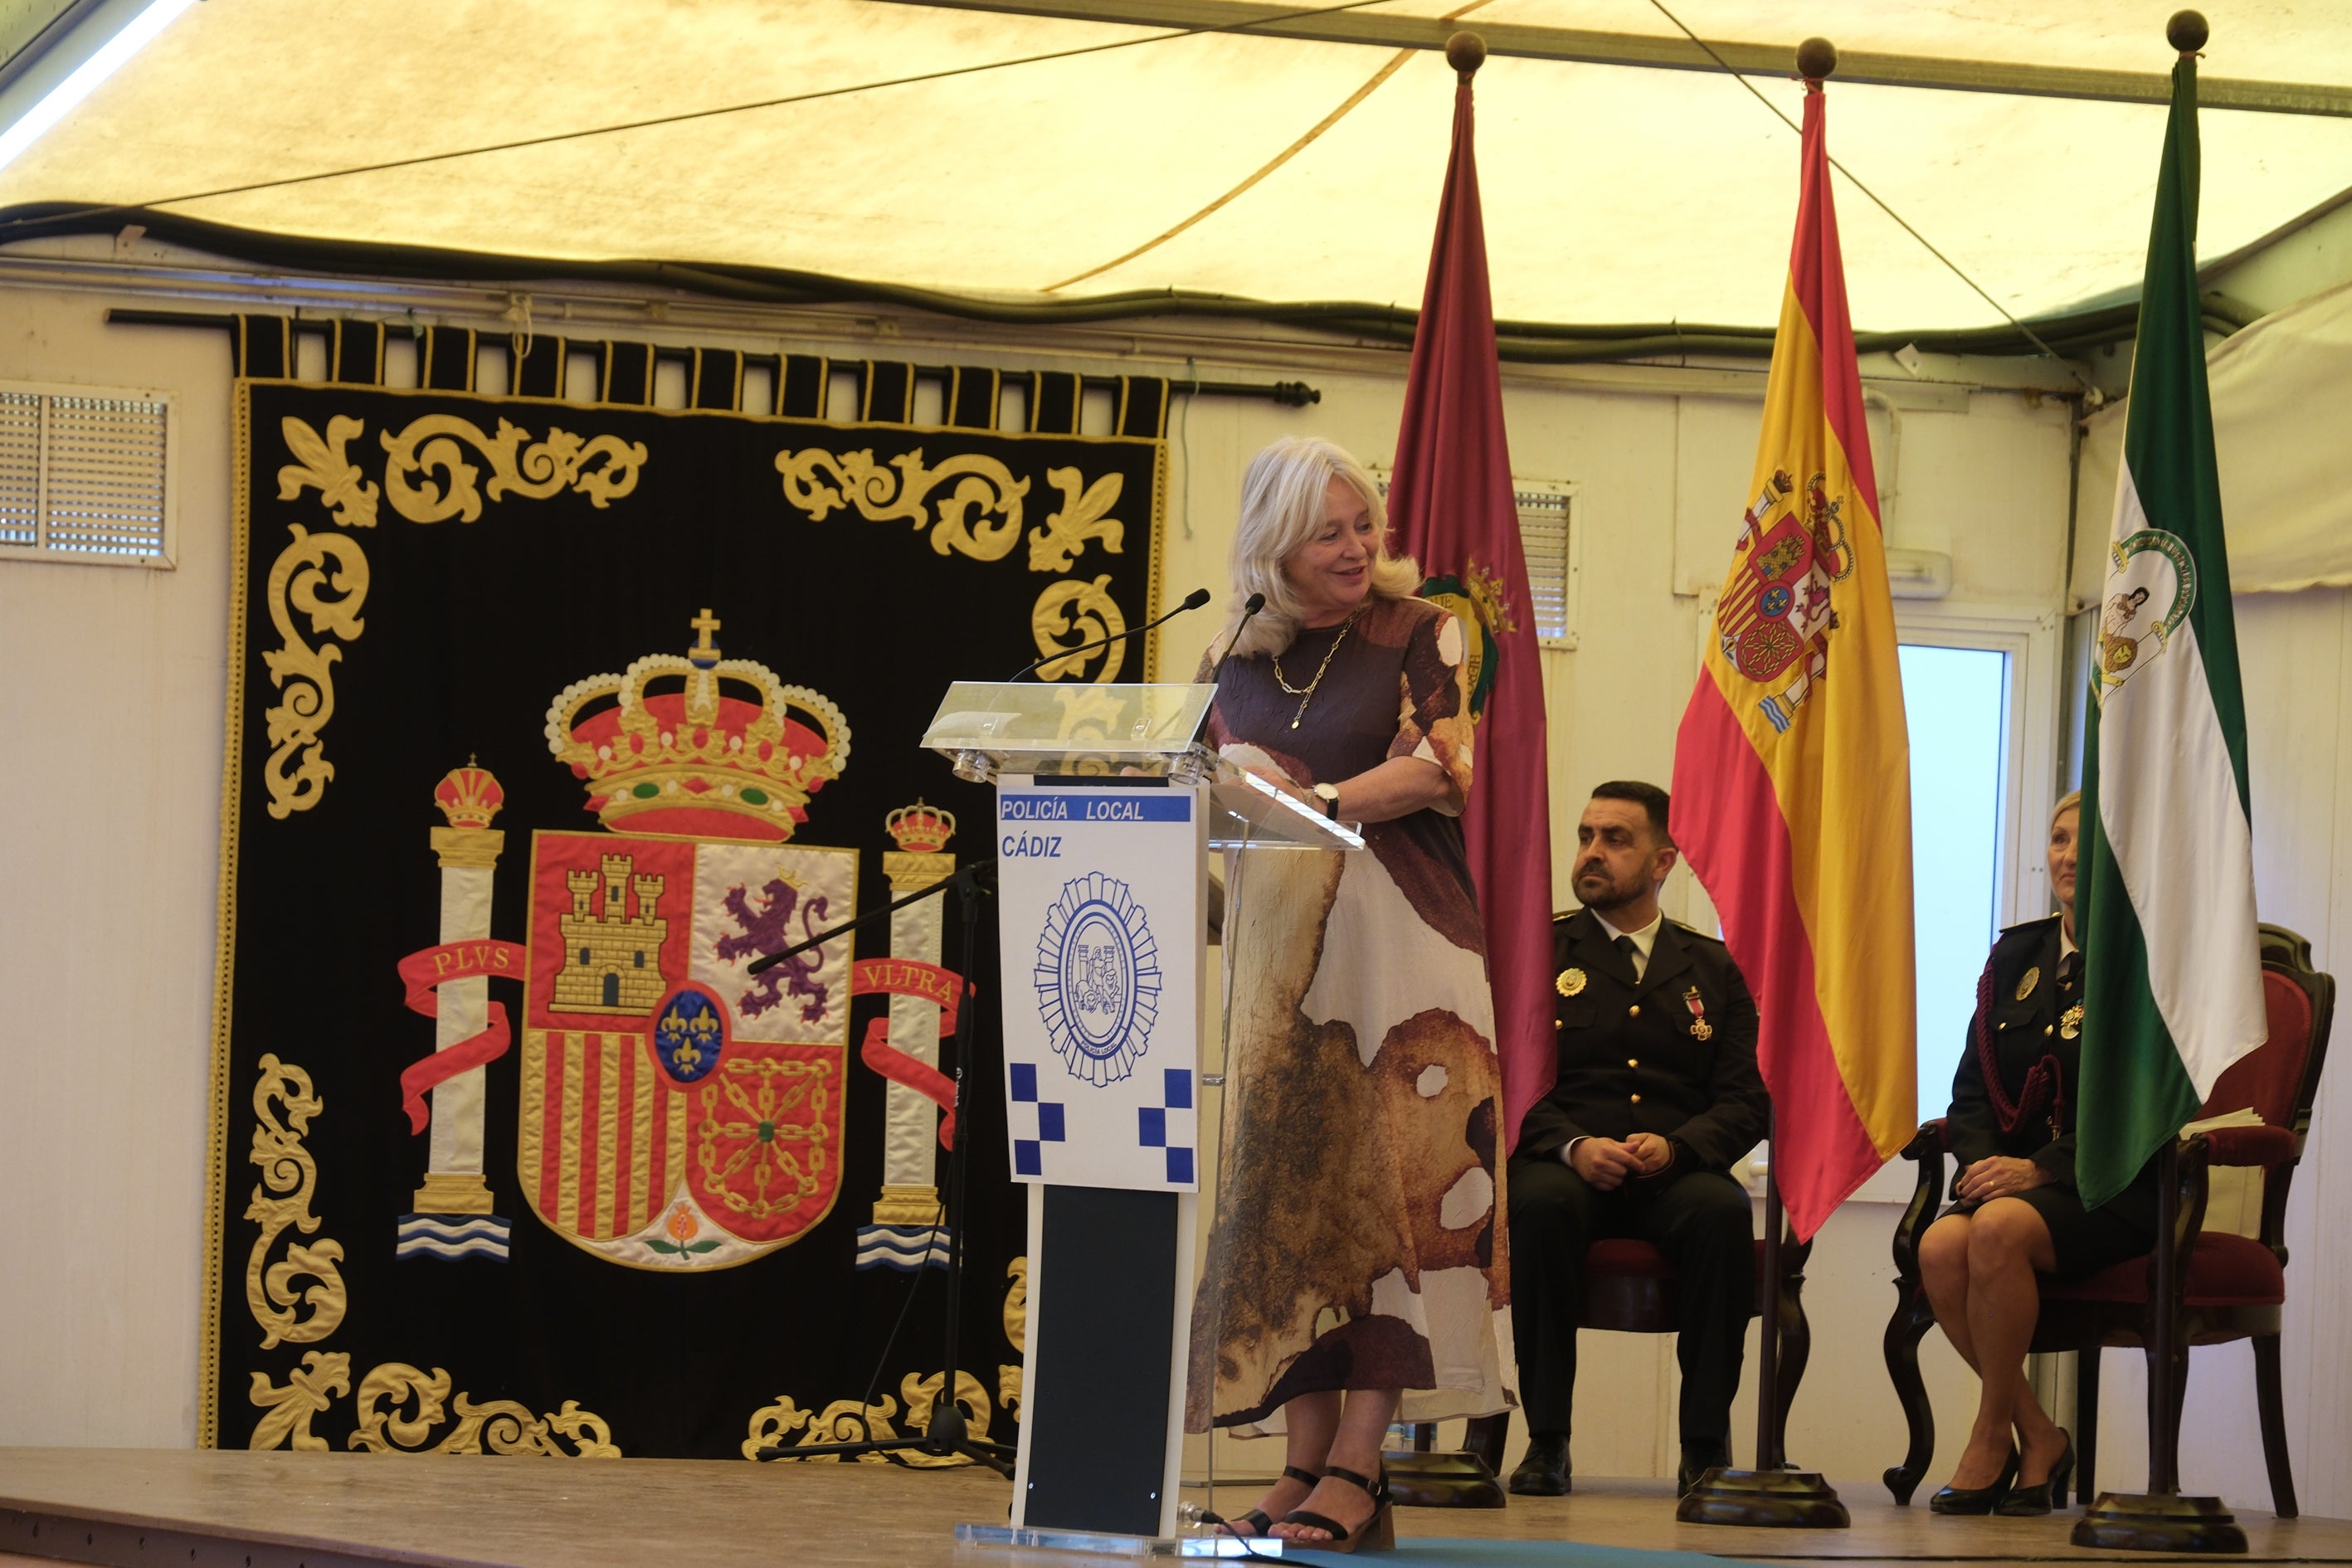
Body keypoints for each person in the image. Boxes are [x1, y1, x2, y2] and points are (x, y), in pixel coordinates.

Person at [1186, 436, 1512, 1553]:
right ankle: (1298, 1463)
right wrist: (1221, 794)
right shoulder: (1229, 648)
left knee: (1386, 1204)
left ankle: (1361, 1472)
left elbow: (1439, 767)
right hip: (1281, 956)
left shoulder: (1420, 626)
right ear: (1271, 538)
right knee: (1286, 1207)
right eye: (1328, 530)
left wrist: (1310, 795)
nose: (1355, 546)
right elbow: (1180, 779)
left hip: (1399, 945)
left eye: (1361, 524)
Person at [1506, 782, 1769, 1498]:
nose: (1592, 853)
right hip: (1564, 1163)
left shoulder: (1712, 967)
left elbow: (1747, 1099)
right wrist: (1569, 1145)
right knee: (1539, 1207)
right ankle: (1546, 1443)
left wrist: (1679, 1148)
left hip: (1673, 1171)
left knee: (1721, 1212)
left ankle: (1705, 1451)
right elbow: (1502, 1080)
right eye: (1587, 835)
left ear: (1662, 862)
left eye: (1614, 839)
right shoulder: (1536, 952)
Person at [1916, 790, 2154, 1516]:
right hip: (2019, 1187)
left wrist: (2041, 1168)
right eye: (2057, 839)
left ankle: (1991, 1435)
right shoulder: (2017, 952)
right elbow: (1971, 1085)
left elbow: (2142, 1101)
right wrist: (1984, 1163)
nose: (2069, 855)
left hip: (2112, 1186)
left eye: (2089, 843)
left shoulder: (2145, 960)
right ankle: (2040, 1434)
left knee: (1991, 1230)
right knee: (1938, 1246)